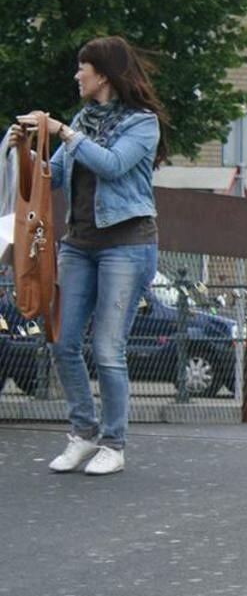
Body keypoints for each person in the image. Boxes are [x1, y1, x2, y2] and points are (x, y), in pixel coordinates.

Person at [6, 36, 167, 476]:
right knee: (62, 340)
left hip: (127, 245)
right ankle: (83, 433)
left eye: (84, 68)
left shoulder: (142, 122)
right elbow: (52, 176)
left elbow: (113, 164)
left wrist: (64, 132)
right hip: (79, 245)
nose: (77, 75)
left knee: (108, 348)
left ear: (105, 74)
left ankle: (113, 444)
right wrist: (27, 147)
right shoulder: (82, 119)